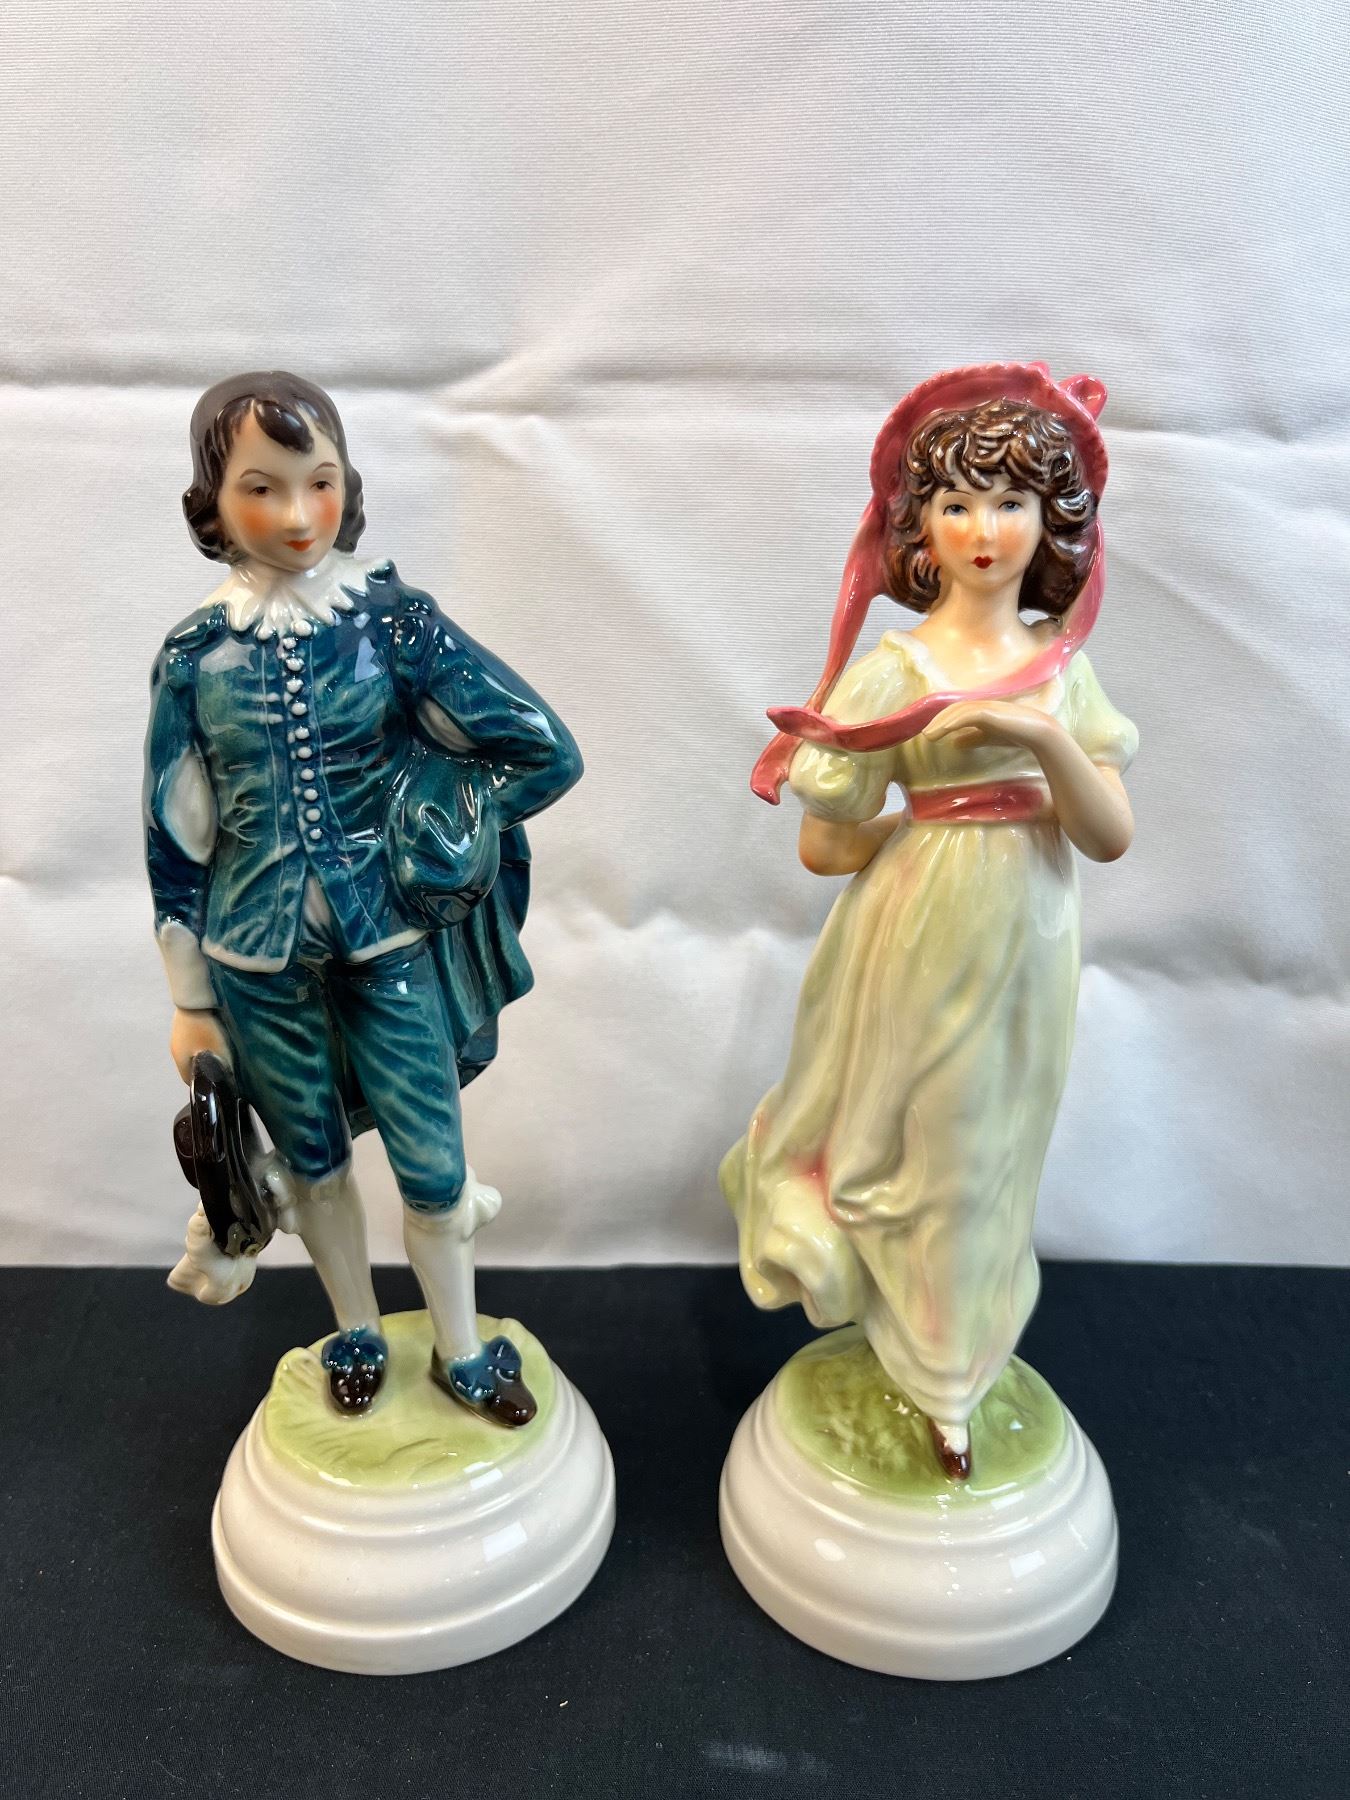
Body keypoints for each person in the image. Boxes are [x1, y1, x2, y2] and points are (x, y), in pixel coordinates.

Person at [721, 363, 1137, 1479]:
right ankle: (940, 1386)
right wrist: (920, 832)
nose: (984, 531)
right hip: (924, 933)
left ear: (1052, 520)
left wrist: (1042, 740)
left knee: (1004, 1147)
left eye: (1010, 503)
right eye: (956, 504)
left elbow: (1108, 834)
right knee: (924, 1152)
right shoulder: (894, 670)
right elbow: (825, 845)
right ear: (920, 527)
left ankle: (961, 1367)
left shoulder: (1062, 673)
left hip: (1035, 934)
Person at [144, 371, 581, 1421]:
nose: (298, 514)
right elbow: (175, 834)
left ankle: (463, 1347)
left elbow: (542, 749)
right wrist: (191, 1000)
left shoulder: (393, 623)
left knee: (434, 1163)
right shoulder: (195, 656)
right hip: (254, 958)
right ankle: (354, 1330)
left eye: (319, 481)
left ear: (346, 486)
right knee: (312, 1162)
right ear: (215, 504)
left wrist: (442, 818)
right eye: (262, 488)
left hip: (386, 945)